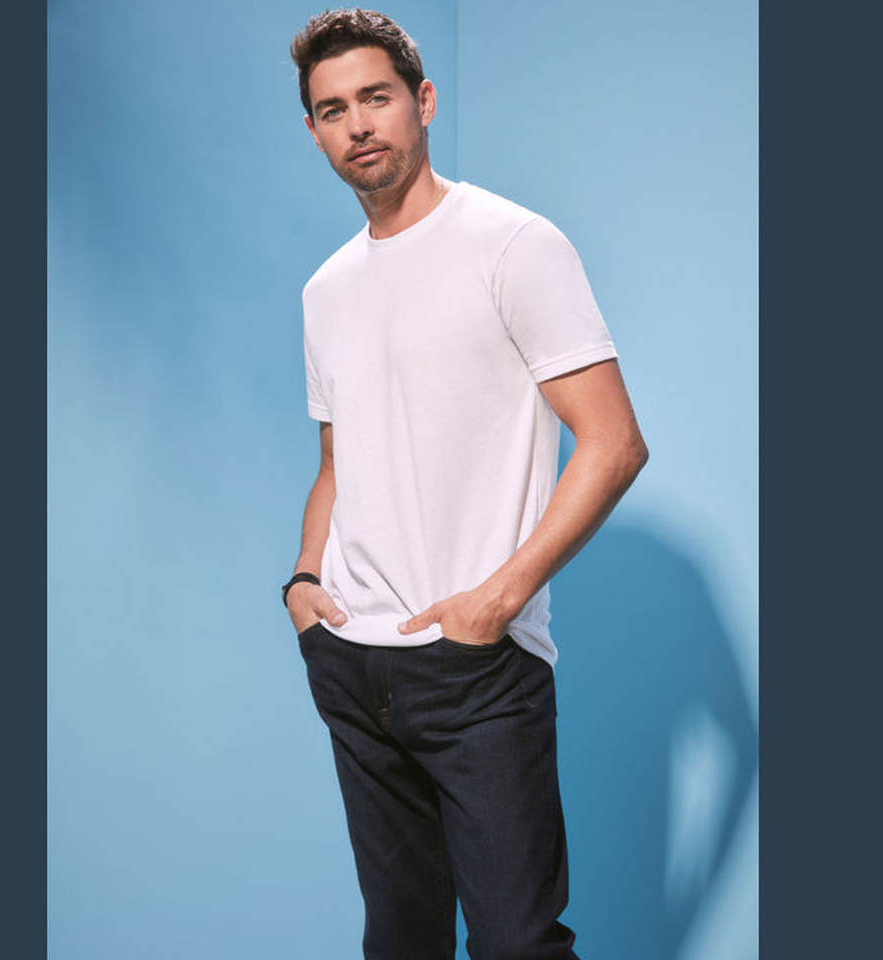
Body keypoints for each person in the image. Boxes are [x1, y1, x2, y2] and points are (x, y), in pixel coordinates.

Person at [282, 9, 648, 959]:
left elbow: (614, 443)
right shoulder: (325, 290)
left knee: (518, 945)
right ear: (314, 131)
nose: (358, 124)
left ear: (424, 101)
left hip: (478, 666)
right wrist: (304, 582)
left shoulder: (513, 244)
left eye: (375, 97)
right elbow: (337, 463)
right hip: (351, 659)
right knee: (400, 942)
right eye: (333, 110)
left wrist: (497, 600)